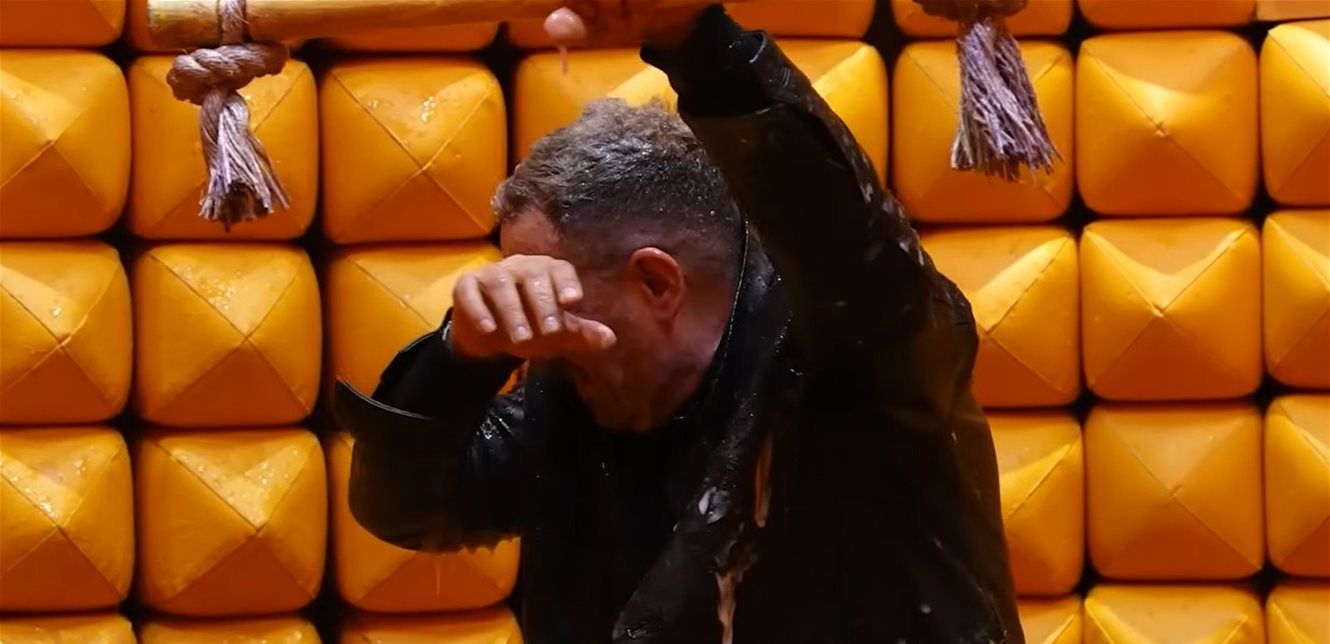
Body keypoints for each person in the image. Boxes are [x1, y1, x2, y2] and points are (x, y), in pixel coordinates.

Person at [333, 2, 1023, 642]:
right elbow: (406, 510)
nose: (537, 334)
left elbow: (844, 230)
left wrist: (697, 41)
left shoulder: (864, 359)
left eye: (555, 296)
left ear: (657, 282)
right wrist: (460, 358)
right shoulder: (572, 398)